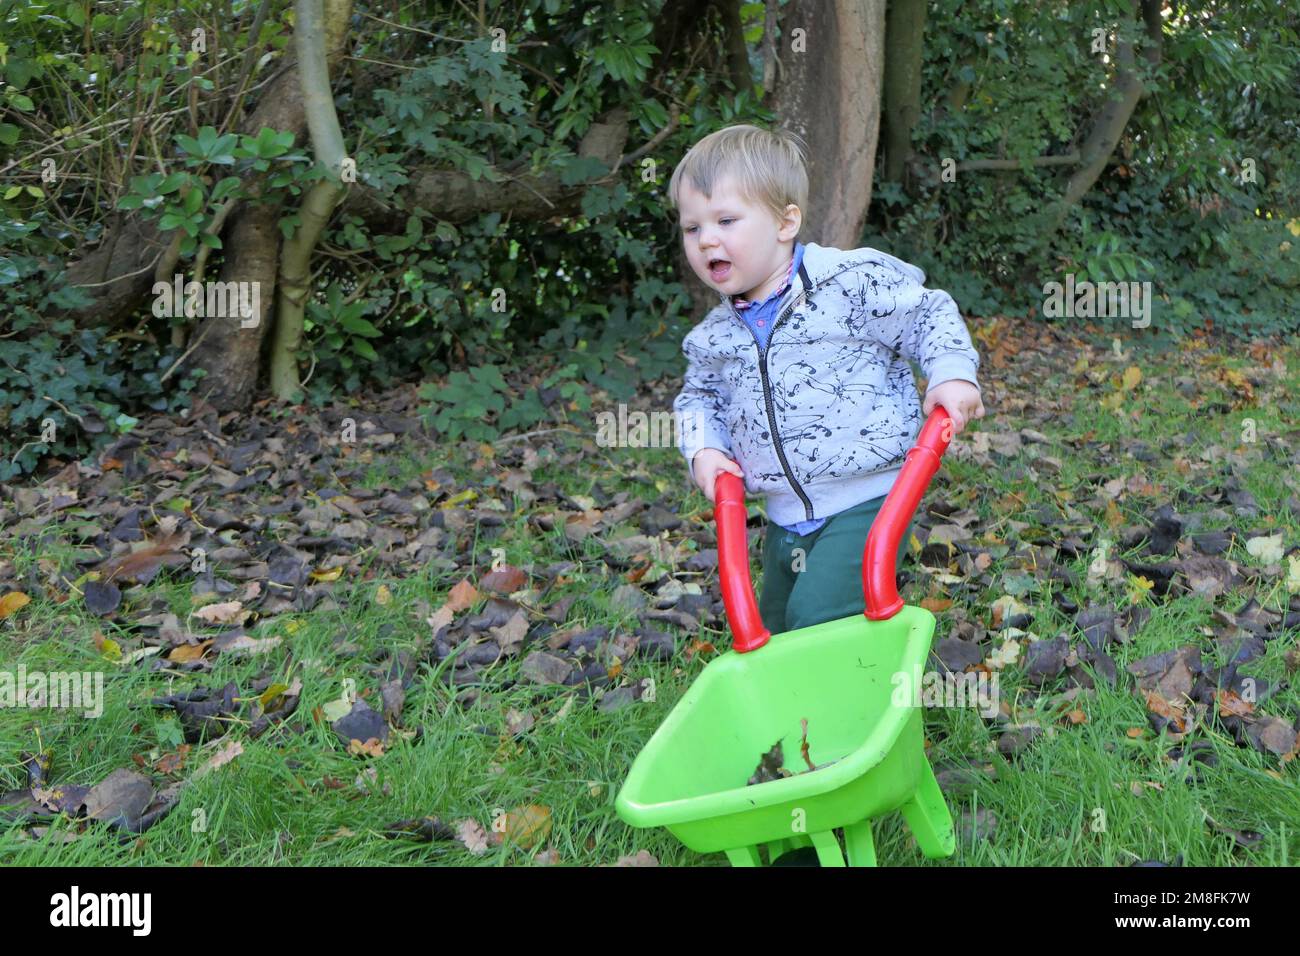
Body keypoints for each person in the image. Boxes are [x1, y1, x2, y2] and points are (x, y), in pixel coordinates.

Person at [669, 124, 985, 634]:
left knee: (818, 619)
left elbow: (926, 314)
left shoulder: (845, 283)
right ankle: (803, 711)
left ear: (785, 221)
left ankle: (856, 702)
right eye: (692, 228)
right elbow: (698, 397)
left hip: (869, 497)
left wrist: (951, 372)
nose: (707, 240)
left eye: (726, 220)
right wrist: (704, 448)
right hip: (782, 514)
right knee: (773, 626)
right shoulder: (716, 336)